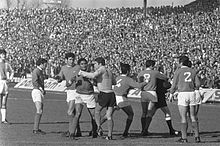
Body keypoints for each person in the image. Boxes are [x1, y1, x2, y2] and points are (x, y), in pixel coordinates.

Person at [99, 63, 148, 138]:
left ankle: (96, 127)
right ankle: (125, 132)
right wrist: (146, 82)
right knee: (130, 114)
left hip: (114, 97)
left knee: (108, 115)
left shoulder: (118, 77)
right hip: (121, 98)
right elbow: (138, 86)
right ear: (128, 71)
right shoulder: (128, 79)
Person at [79, 57, 116, 140]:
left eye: (95, 64)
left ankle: (99, 128)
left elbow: (93, 75)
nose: (94, 66)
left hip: (104, 94)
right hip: (111, 94)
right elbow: (114, 82)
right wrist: (99, 81)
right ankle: (110, 135)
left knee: (96, 111)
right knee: (109, 116)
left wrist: (82, 73)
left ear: (99, 63)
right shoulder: (109, 70)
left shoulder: (101, 69)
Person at [169, 56, 201, 143]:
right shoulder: (192, 71)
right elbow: (198, 84)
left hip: (183, 94)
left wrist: (171, 93)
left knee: (183, 117)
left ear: (181, 62)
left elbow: (174, 85)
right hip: (192, 93)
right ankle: (197, 137)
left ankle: (184, 138)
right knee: (193, 116)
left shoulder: (178, 71)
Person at [137, 60, 168, 136]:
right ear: (151, 65)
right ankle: (145, 130)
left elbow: (139, 83)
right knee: (149, 112)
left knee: (144, 112)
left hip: (144, 93)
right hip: (152, 93)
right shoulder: (155, 73)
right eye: (153, 65)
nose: (154, 67)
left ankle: (143, 129)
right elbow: (165, 78)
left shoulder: (141, 73)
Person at [55, 53, 81, 139]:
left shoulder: (77, 67)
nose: (72, 61)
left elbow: (80, 77)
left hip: (76, 91)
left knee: (70, 111)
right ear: (66, 60)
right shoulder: (63, 68)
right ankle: (76, 131)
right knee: (72, 113)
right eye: (70, 59)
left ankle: (71, 131)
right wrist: (58, 78)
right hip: (69, 91)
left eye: (73, 59)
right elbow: (60, 77)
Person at [73, 58, 98, 138]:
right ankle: (74, 132)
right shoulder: (77, 73)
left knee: (93, 116)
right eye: (82, 64)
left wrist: (92, 81)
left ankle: (94, 132)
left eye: (85, 63)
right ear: (79, 65)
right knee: (77, 114)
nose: (84, 65)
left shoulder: (91, 74)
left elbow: (95, 83)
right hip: (79, 95)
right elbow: (69, 82)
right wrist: (72, 81)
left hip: (89, 95)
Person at [31, 58, 47, 134]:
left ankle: (36, 128)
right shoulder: (36, 71)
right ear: (41, 64)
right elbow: (35, 81)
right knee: (39, 110)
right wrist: (41, 88)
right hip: (36, 91)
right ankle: (35, 129)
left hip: (39, 91)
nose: (45, 65)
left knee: (40, 110)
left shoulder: (40, 71)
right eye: (44, 64)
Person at [0, 49, 14, 124]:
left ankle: (3, 119)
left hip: (5, 83)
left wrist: (10, 79)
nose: (4, 56)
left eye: (4, 54)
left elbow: (12, 71)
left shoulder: (7, 64)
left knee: (4, 102)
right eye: (2, 54)